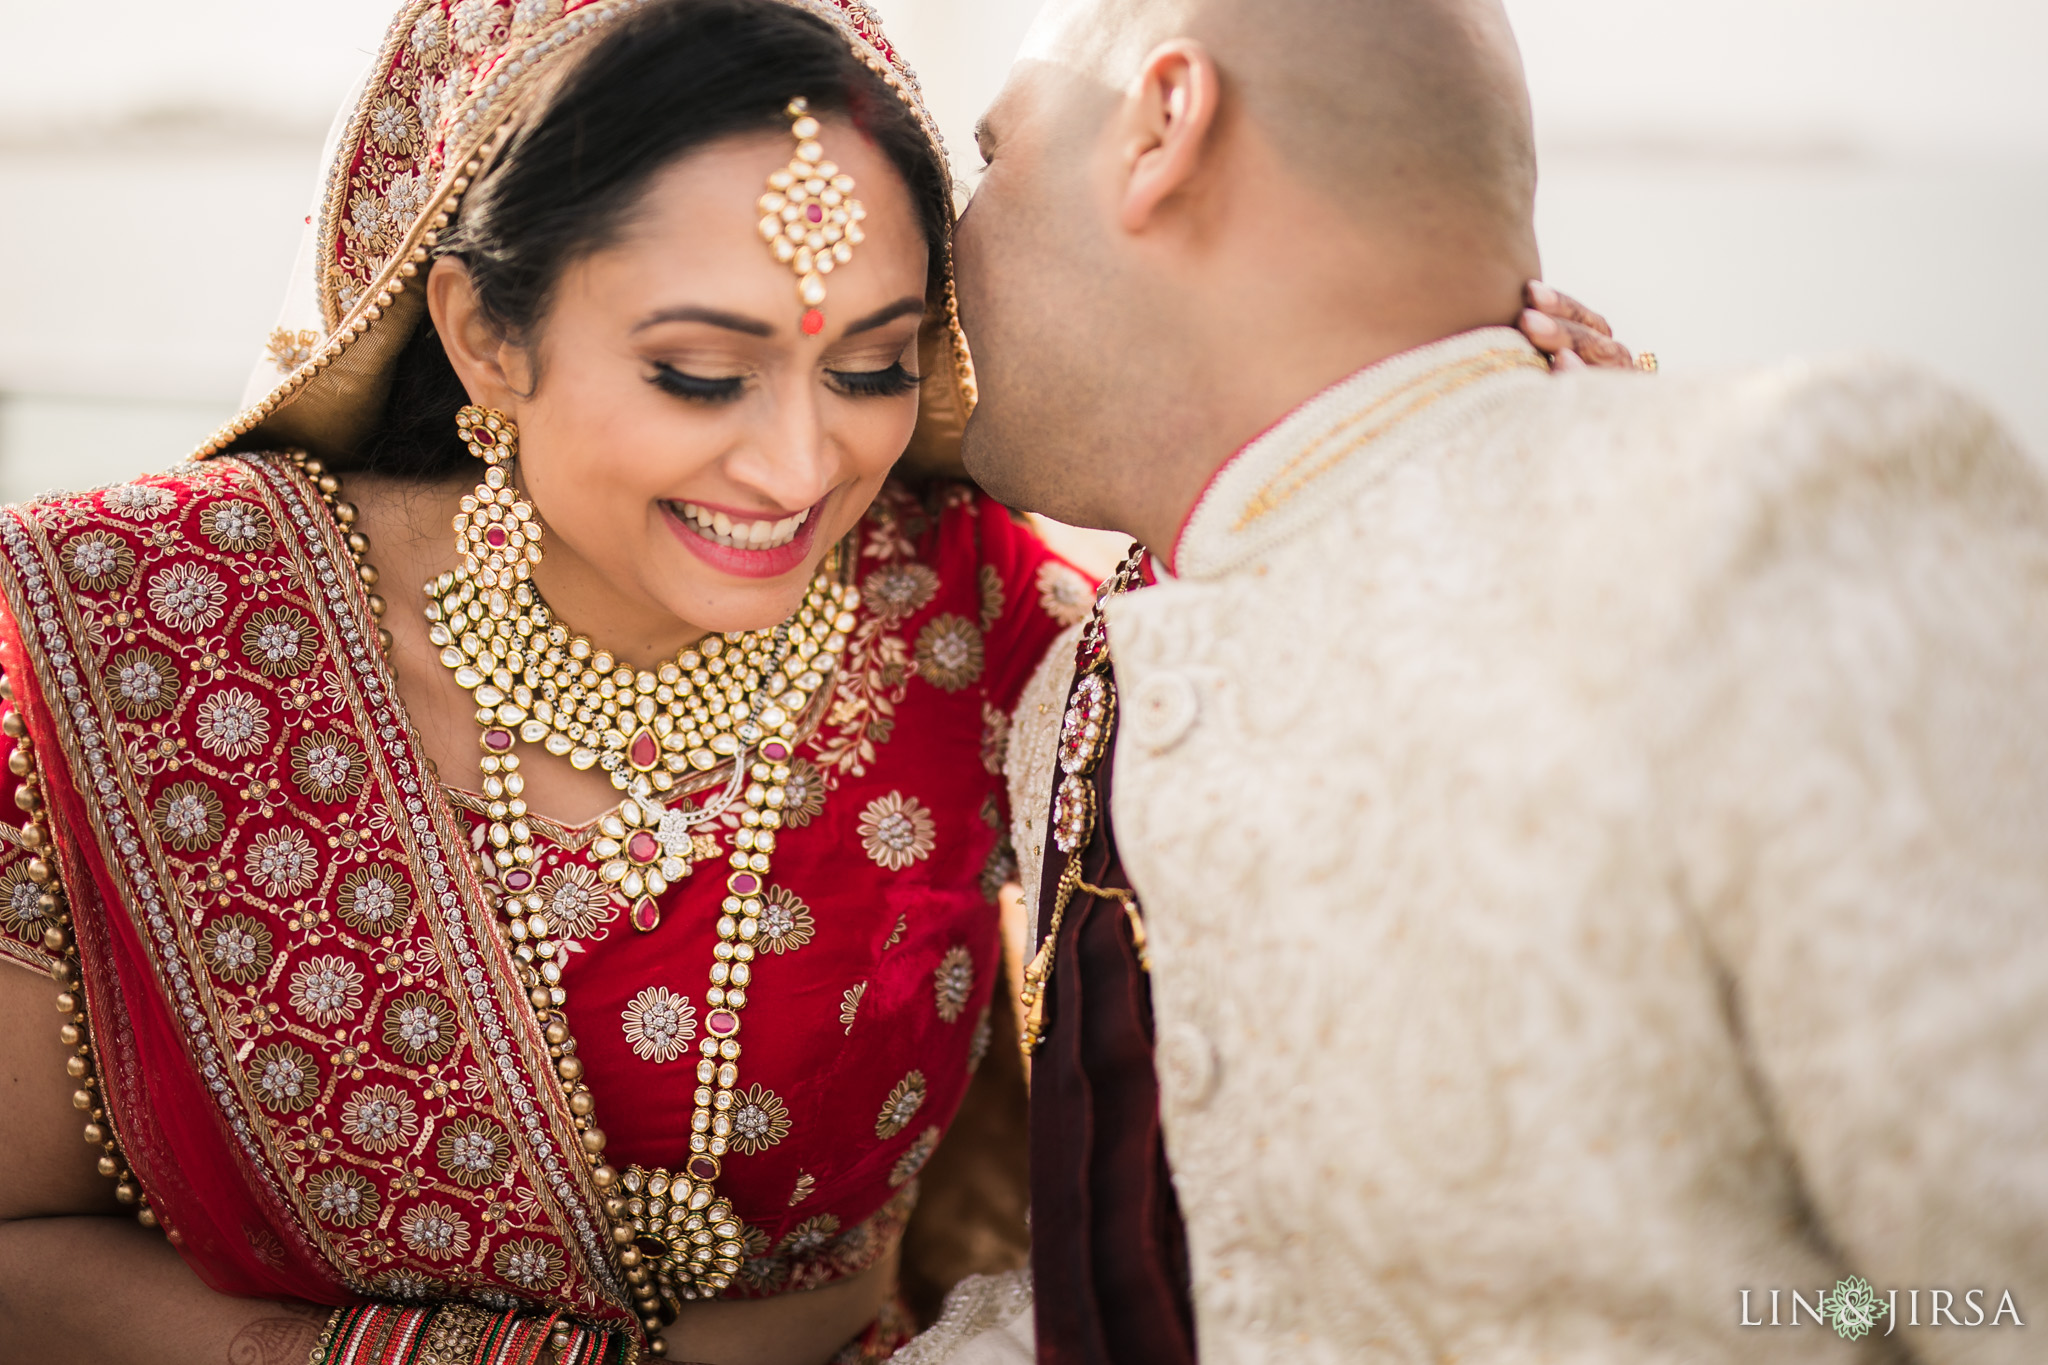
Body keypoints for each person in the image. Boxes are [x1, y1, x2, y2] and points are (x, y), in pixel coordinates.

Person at [0, 3, 1618, 1363]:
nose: (796, 465)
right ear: (486, 336)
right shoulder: (133, 630)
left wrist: (1495, 466)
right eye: (700, 372)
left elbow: (1330, 733)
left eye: (871, 366)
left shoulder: (965, 612)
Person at [945, 0, 2048, 1361]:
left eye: (990, 158)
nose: (950, 240)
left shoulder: (1764, 514)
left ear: (1163, 125)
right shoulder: (1075, 691)